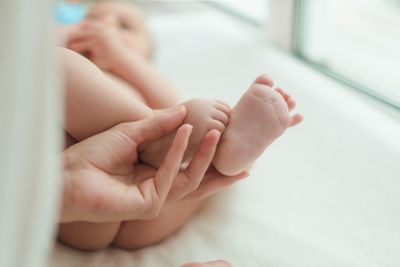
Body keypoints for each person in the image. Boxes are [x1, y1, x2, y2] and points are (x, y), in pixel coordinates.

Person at [58, 0, 303, 251]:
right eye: (93, 19)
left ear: (146, 55)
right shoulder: (73, 63)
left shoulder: (134, 77)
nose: (105, 28)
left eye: (125, 27)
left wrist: (120, 58)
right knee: (56, 65)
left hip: (148, 196)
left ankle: (225, 155)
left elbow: (173, 107)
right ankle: (187, 147)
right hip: (79, 200)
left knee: (194, 165)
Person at [60, 108, 240, 267]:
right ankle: (223, 158)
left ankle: (221, 158)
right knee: (165, 199)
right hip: (115, 200)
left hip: (86, 216)